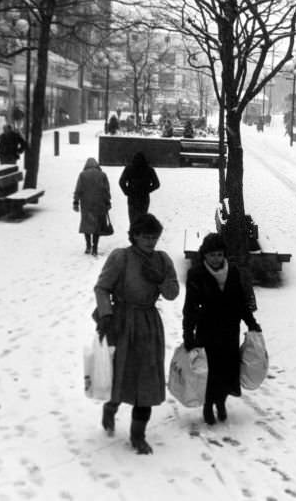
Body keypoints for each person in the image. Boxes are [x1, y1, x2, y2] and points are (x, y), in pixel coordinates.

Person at [92, 213, 180, 454]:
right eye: (145, 237)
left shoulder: (162, 261)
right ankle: (111, 407)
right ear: (135, 236)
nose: (150, 242)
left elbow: (173, 293)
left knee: (147, 380)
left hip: (148, 324)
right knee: (120, 374)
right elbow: (101, 288)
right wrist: (106, 315)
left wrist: (160, 279)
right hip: (121, 321)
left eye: (154, 237)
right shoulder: (121, 257)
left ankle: (137, 435)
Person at [182, 233, 261, 425]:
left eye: (219, 254)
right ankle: (209, 405)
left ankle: (221, 402)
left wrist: (251, 322)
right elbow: (190, 306)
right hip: (207, 330)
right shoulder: (197, 274)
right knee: (210, 370)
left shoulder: (233, 272)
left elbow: (241, 301)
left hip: (229, 329)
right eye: (212, 255)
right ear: (205, 256)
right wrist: (188, 332)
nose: (216, 259)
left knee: (227, 370)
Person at [73, 157, 113, 256]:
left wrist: (76, 202)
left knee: (87, 224)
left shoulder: (82, 175)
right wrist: (107, 202)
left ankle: (88, 246)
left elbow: (78, 189)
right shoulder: (102, 175)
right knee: (97, 226)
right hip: (99, 204)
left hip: (86, 204)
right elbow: (106, 190)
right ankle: (95, 248)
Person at [119, 152, 161, 226]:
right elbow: (156, 184)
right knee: (142, 219)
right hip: (144, 198)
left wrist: (127, 191)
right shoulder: (149, 169)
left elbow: (121, 182)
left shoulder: (129, 168)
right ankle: (141, 234)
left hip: (132, 197)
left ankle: (132, 234)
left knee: (132, 218)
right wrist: (147, 190)